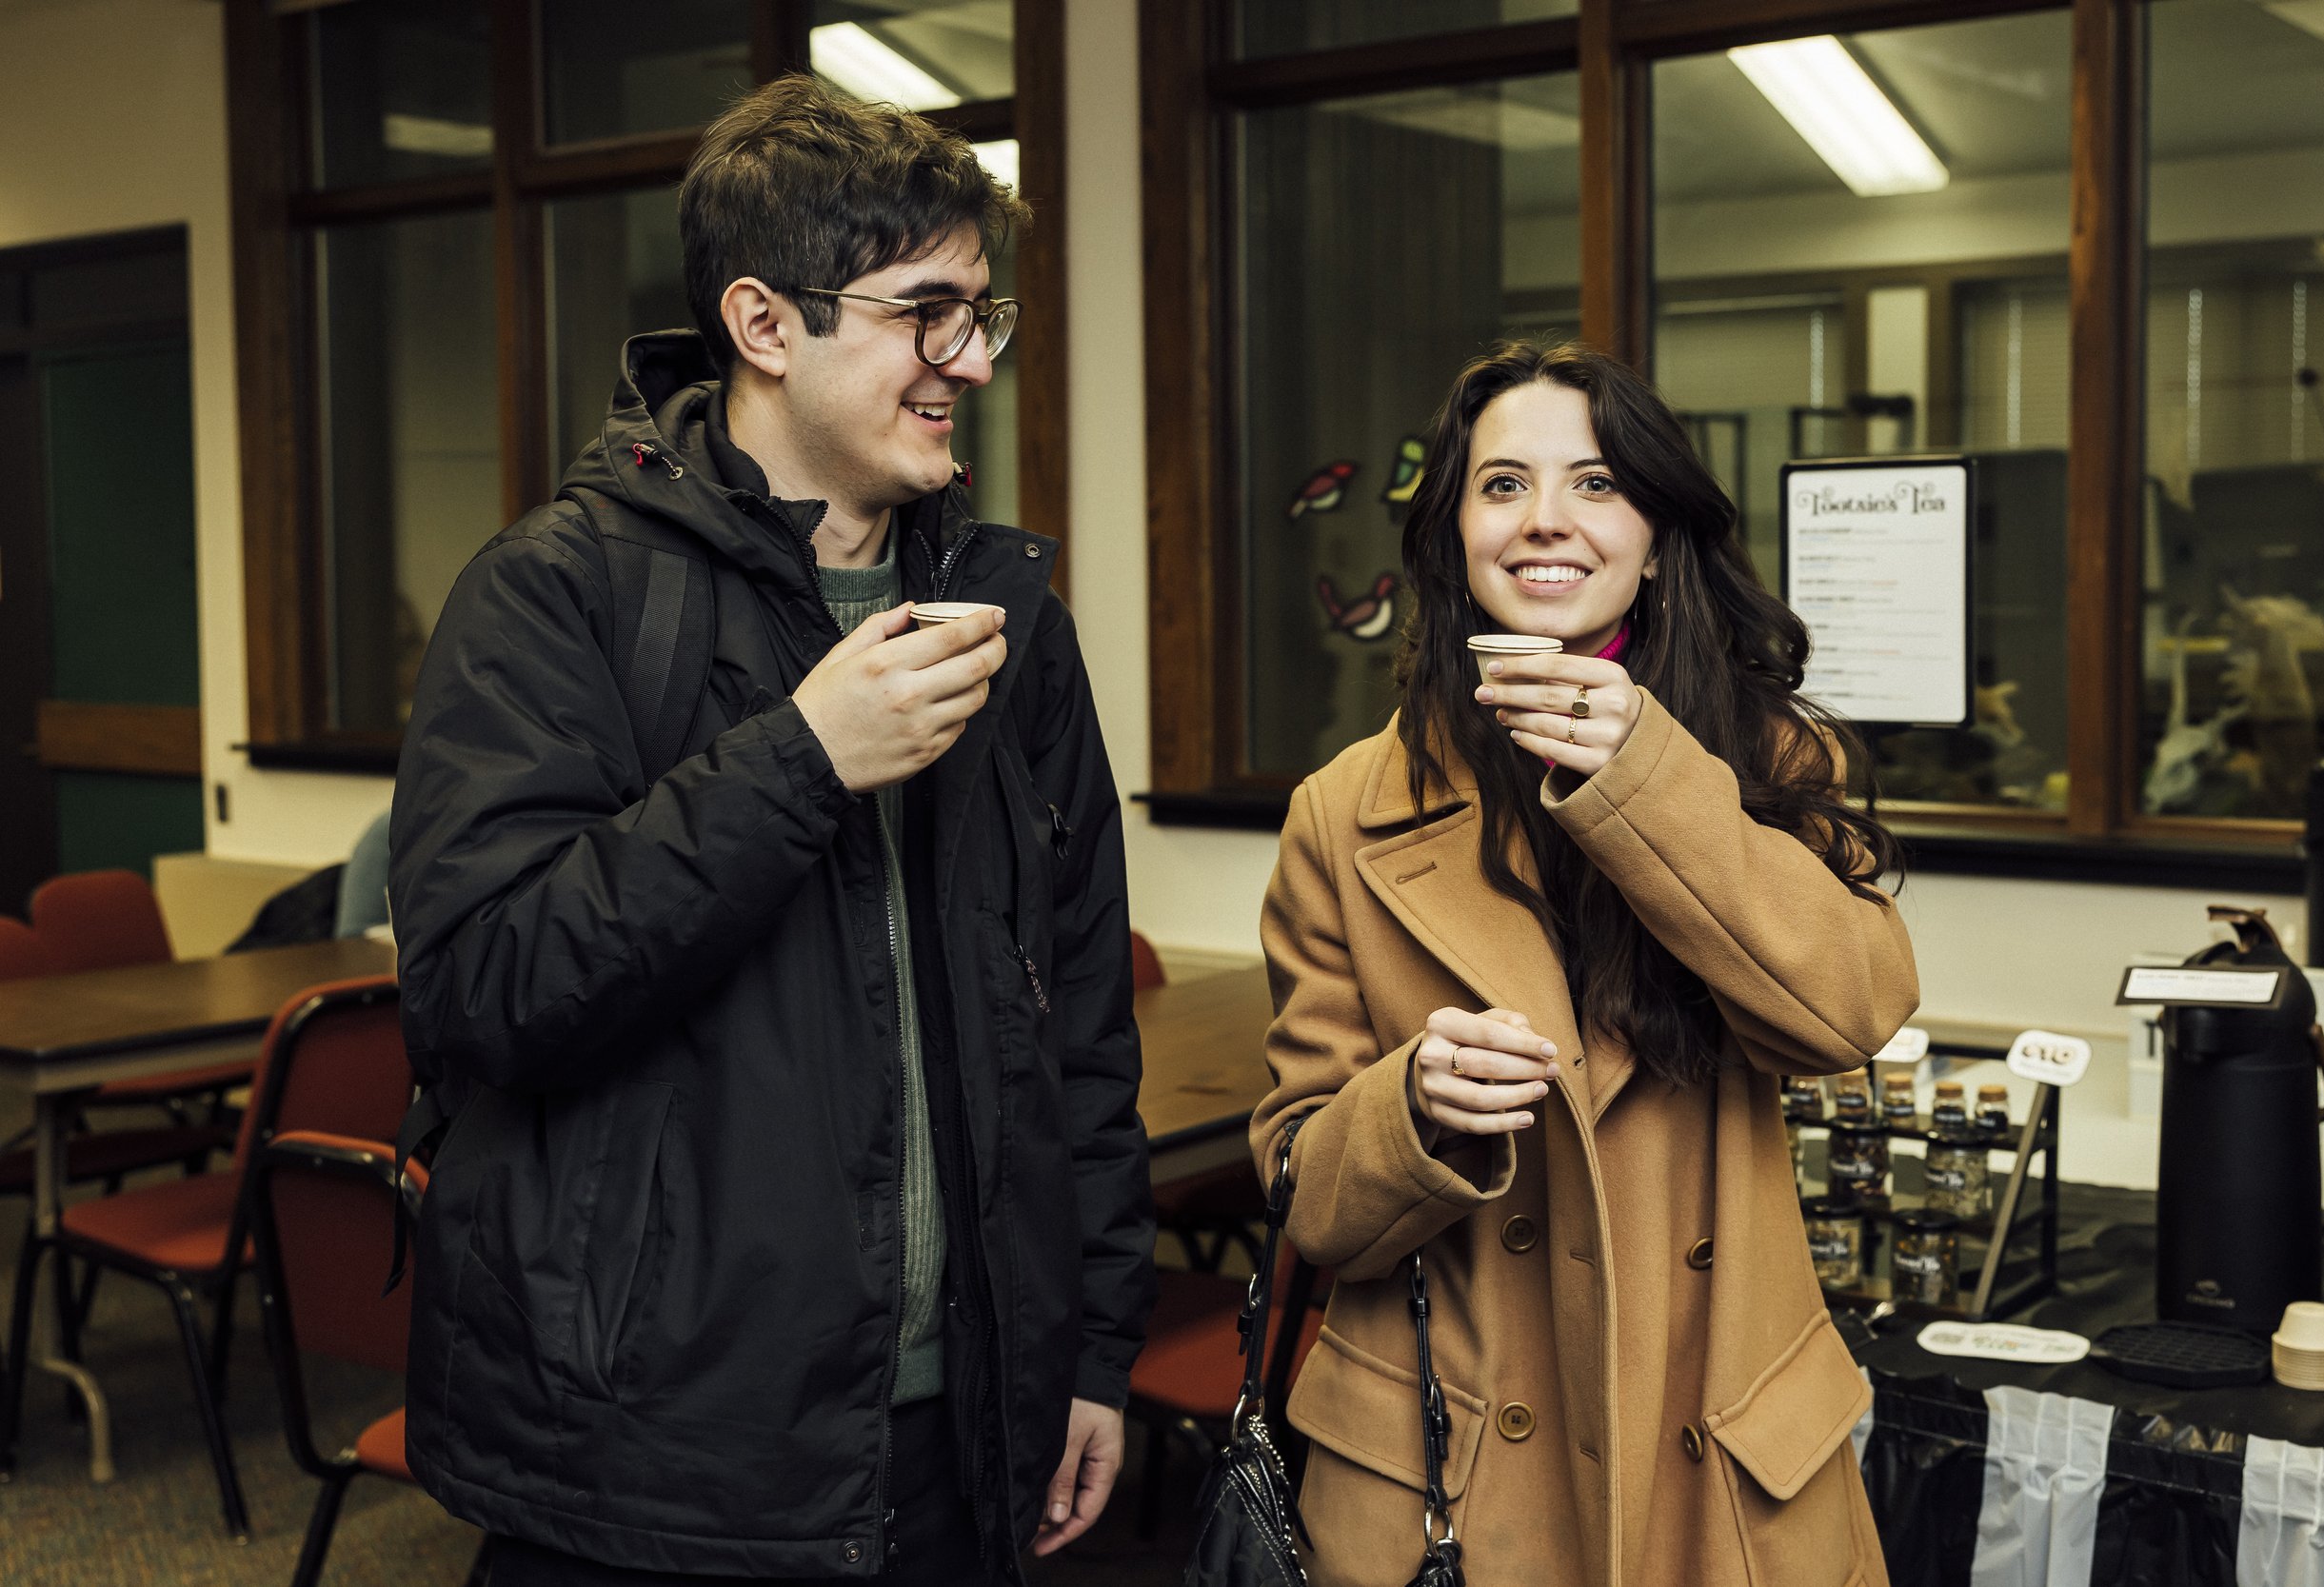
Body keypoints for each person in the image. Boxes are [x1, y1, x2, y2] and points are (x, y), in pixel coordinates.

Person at [389, 74, 1152, 1586]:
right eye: (924, 314)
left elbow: (1075, 1022)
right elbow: (485, 987)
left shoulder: (1004, 619)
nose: (968, 362)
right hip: (655, 1460)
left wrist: (1093, 1346)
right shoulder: (556, 593)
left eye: (981, 317)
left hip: (960, 1440)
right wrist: (804, 762)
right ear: (763, 323)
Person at [1249, 341, 1918, 1587]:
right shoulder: (1344, 814)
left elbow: (1850, 1012)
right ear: (1453, 536)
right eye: (1502, 484)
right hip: (1454, 1476)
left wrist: (1644, 780)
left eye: (1597, 483)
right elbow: (1310, 1199)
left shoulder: (1770, 760)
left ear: (1656, 540)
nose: (1546, 519)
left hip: (1720, 1450)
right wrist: (1411, 1107)